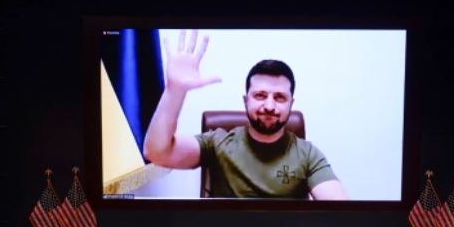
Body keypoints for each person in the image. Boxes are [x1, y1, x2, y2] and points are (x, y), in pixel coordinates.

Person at [143, 30, 348, 200]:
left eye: (279, 97)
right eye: (260, 95)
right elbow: (157, 153)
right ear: (246, 100)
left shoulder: (308, 154)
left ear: (290, 104)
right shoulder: (217, 143)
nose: (269, 105)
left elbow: (342, 213)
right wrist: (174, 91)